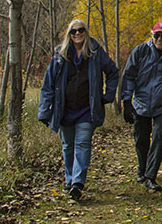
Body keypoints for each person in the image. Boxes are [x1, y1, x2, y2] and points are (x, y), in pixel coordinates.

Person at [38, 19, 119, 201]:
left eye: (81, 30)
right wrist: (44, 111)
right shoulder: (60, 55)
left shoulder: (96, 52)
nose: (77, 34)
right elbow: (48, 84)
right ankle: (69, 180)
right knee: (68, 147)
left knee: (82, 144)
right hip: (64, 110)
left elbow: (113, 72)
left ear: (86, 32)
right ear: (69, 34)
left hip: (86, 109)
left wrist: (107, 96)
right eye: (73, 31)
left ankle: (77, 183)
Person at [120, 20, 162, 192]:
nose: (159, 39)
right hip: (141, 103)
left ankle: (151, 177)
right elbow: (128, 76)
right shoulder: (140, 51)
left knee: (158, 138)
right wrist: (126, 101)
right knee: (141, 139)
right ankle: (142, 169)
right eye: (156, 35)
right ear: (152, 34)